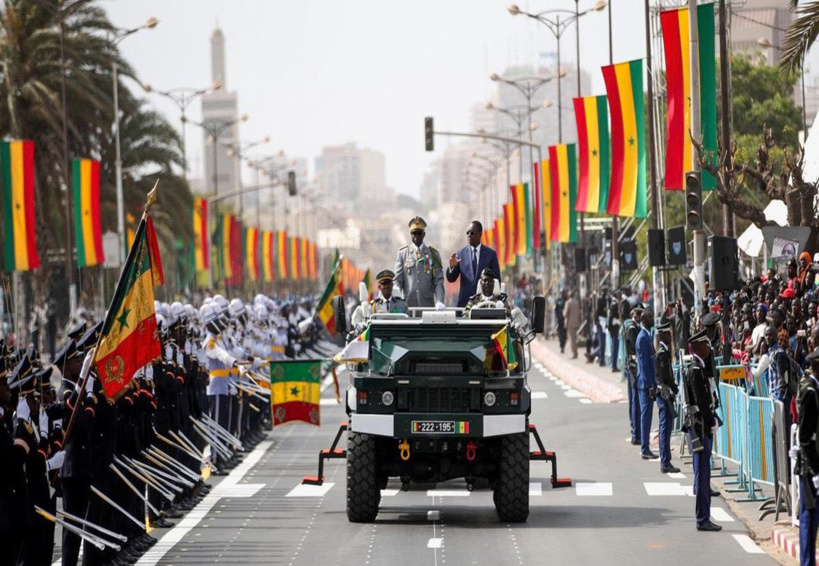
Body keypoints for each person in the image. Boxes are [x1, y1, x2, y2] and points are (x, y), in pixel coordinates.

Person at [684, 329, 722, 532]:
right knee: (703, 474)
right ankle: (702, 518)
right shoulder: (696, 371)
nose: (709, 348)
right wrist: (711, 419)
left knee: (704, 473)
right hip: (700, 427)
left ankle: (705, 516)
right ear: (698, 347)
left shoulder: (700, 368)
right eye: (706, 345)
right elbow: (701, 401)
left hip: (701, 425)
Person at [796, 348, 819, 566]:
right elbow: (805, 437)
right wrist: (815, 471)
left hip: (811, 465)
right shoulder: (810, 392)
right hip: (809, 467)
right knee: (809, 519)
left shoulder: (814, 388)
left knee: (812, 519)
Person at [393, 216, 445, 309]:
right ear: (410, 234)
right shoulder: (403, 254)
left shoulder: (433, 254)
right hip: (408, 306)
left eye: (419, 233)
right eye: (414, 233)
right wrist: (396, 299)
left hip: (427, 306)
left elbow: (438, 282)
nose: (416, 236)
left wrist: (439, 301)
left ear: (424, 234)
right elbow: (398, 280)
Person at [446, 220, 501, 308]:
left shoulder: (490, 254)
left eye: (472, 233)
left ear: (480, 234)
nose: (469, 235)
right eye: (467, 233)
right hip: (465, 304)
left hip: (484, 305)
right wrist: (451, 267)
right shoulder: (461, 253)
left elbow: (497, 280)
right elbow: (451, 279)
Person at [656, 321, 680, 473]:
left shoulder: (663, 352)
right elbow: (665, 376)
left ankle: (666, 460)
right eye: (668, 334)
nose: (670, 336)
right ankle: (665, 461)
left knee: (666, 428)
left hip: (665, 393)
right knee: (665, 428)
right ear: (663, 335)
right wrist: (675, 388)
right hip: (664, 394)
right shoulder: (662, 354)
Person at [636, 310, 658, 460]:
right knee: (646, 416)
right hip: (645, 384)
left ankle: (646, 447)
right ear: (644, 320)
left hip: (647, 382)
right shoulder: (642, 338)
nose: (653, 320)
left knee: (647, 416)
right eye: (650, 318)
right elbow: (644, 365)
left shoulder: (646, 336)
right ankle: (645, 448)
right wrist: (650, 385)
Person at [625, 304, 643, 446]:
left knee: (635, 400)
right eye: (637, 314)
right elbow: (633, 350)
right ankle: (636, 432)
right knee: (635, 400)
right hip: (633, 367)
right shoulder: (632, 328)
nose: (639, 317)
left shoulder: (635, 327)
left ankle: (636, 431)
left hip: (633, 366)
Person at [563, 289, 581, 358]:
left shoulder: (568, 303)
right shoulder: (577, 303)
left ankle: (574, 353)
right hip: (576, 322)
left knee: (572, 339)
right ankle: (575, 352)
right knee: (575, 338)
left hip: (570, 323)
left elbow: (565, 314)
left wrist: (563, 312)